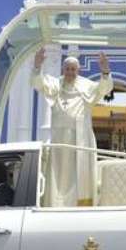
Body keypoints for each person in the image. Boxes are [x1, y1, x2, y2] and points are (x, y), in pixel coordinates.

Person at [32, 48, 113, 207]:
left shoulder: (86, 85)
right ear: (63, 69)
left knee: (80, 173)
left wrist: (105, 70)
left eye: (73, 69)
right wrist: (37, 65)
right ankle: (56, 204)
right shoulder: (55, 83)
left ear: (78, 70)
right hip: (59, 140)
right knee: (59, 174)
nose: (70, 72)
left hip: (81, 140)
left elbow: (104, 88)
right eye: (67, 69)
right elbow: (38, 83)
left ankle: (80, 205)